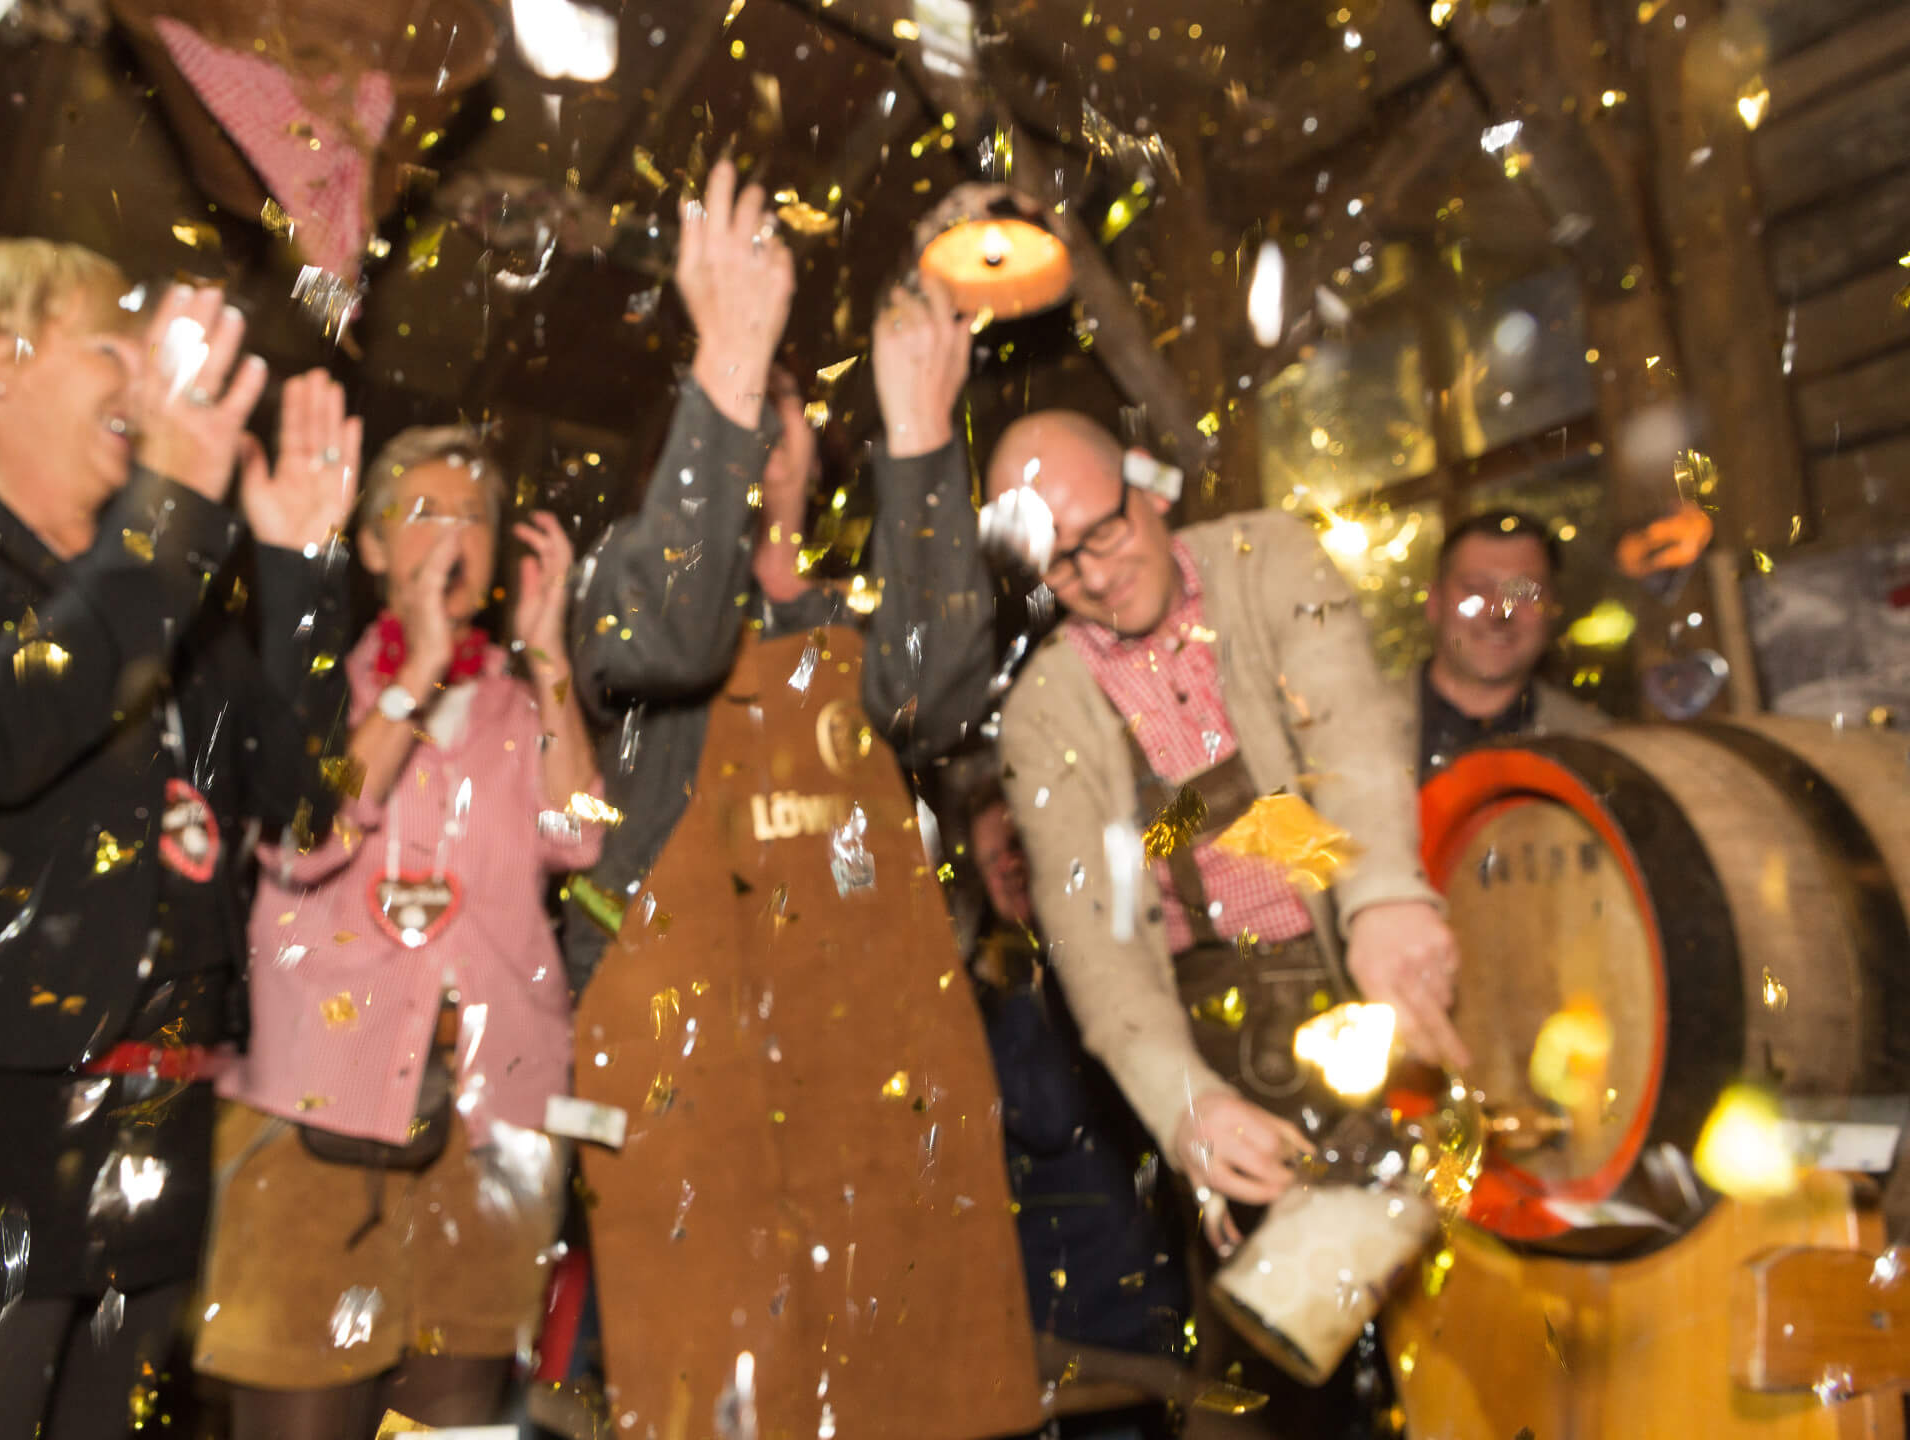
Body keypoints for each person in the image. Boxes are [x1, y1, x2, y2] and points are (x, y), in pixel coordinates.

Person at [0, 237, 355, 1439]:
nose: (147, 384)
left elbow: (303, 802)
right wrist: (172, 516)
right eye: (115, 349)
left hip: (148, 1153)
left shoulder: (170, 599)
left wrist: (302, 567)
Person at [558, 161, 1041, 1439]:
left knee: (915, 1394)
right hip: (690, 1079)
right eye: (730, 413)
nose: (764, 434)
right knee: (719, 1403)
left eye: (781, 404)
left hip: (879, 1088)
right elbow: (666, 639)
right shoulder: (618, 576)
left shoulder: (850, 621)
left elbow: (940, 699)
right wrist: (728, 353)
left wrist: (926, 436)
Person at [984, 412, 1467, 1436]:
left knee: (1471, 1333)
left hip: (1361, 969)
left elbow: (1348, 737)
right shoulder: (1043, 712)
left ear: (1150, 489)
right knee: (1271, 1379)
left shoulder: (1270, 556)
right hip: (1214, 1041)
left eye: (1105, 532)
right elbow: (1094, 946)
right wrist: (1182, 1105)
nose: (1097, 575)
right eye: (1058, 563)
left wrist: (1380, 895)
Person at [193, 425, 601, 1438]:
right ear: (369, 548)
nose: (454, 533)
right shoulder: (312, 689)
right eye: (423, 511)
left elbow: (577, 838)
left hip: (491, 1123)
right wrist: (416, 671)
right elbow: (301, 841)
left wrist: (549, 653)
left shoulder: (522, 704)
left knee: (453, 1424)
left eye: (475, 514)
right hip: (312, 1118)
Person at [960, 781, 1190, 1439]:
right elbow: (1046, 1113)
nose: (1007, 866)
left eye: (1016, 845)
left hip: (1152, 1311)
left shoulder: (1121, 954)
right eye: (988, 860)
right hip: (1083, 1329)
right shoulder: (1001, 991)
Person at [1416, 509, 1607, 778]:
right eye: (1475, 588)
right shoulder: (1349, 725)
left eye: (1523, 592)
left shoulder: (1594, 752)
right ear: (1434, 602)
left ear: (1552, 606)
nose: (1499, 612)